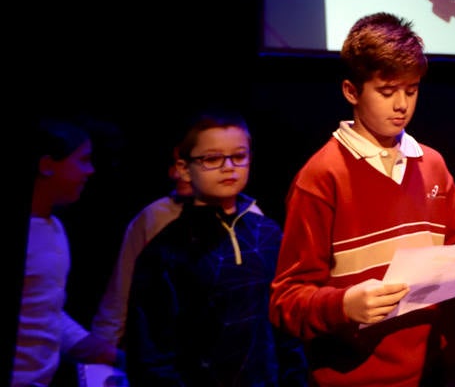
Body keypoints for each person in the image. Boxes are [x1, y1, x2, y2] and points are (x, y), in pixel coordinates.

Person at [270, 11, 455, 387]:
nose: (401, 104)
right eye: (387, 92)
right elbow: (286, 301)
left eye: (412, 90)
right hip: (355, 377)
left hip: (431, 370)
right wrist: (343, 305)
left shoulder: (432, 165)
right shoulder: (323, 177)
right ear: (352, 91)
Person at [124, 111, 306, 385]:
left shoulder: (268, 233)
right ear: (184, 168)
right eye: (212, 158)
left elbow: (287, 327)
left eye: (238, 156)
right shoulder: (166, 251)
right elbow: (151, 352)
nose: (228, 167)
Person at [90, 144, 263, 352]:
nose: (174, 174)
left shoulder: (255, 222)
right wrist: (100, 354)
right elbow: (119, 296)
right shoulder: (154, 217)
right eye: (175, 164)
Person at [15, 119, 120, 387]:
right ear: (47, 165)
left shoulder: (55, 228)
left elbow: (44, 312)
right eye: (83, 160)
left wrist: (107, 353)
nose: (91, 170)